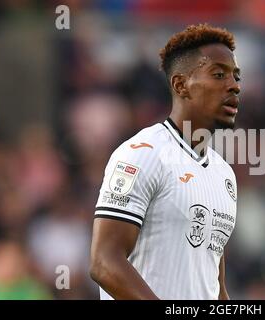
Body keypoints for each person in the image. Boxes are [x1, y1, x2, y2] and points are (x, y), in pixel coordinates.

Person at [90, 23, 241, 300]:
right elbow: (104, 262)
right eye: (219, 74)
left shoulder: (224, 175)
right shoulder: (142, 154)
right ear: (181, 85)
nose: (233, 86)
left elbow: (214, 286)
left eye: (236, 77)